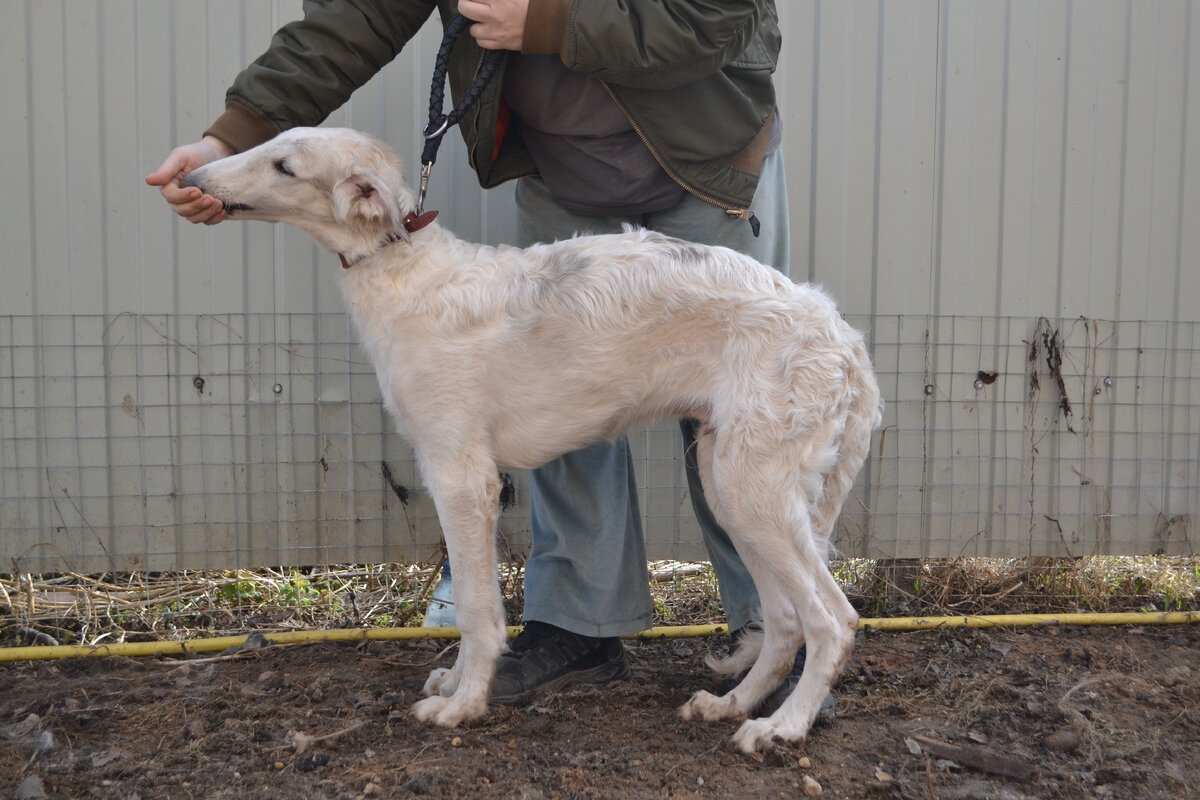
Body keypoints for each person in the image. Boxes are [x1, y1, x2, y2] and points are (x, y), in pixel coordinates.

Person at [148, 0, 826, 718]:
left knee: (742, 433)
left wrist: (553, 25)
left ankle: (780, 637)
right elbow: (355, 17)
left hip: (705, 157)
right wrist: (232, 138)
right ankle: (579, 624)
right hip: (564, 167)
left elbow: (718, 14)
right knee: (551, 418)